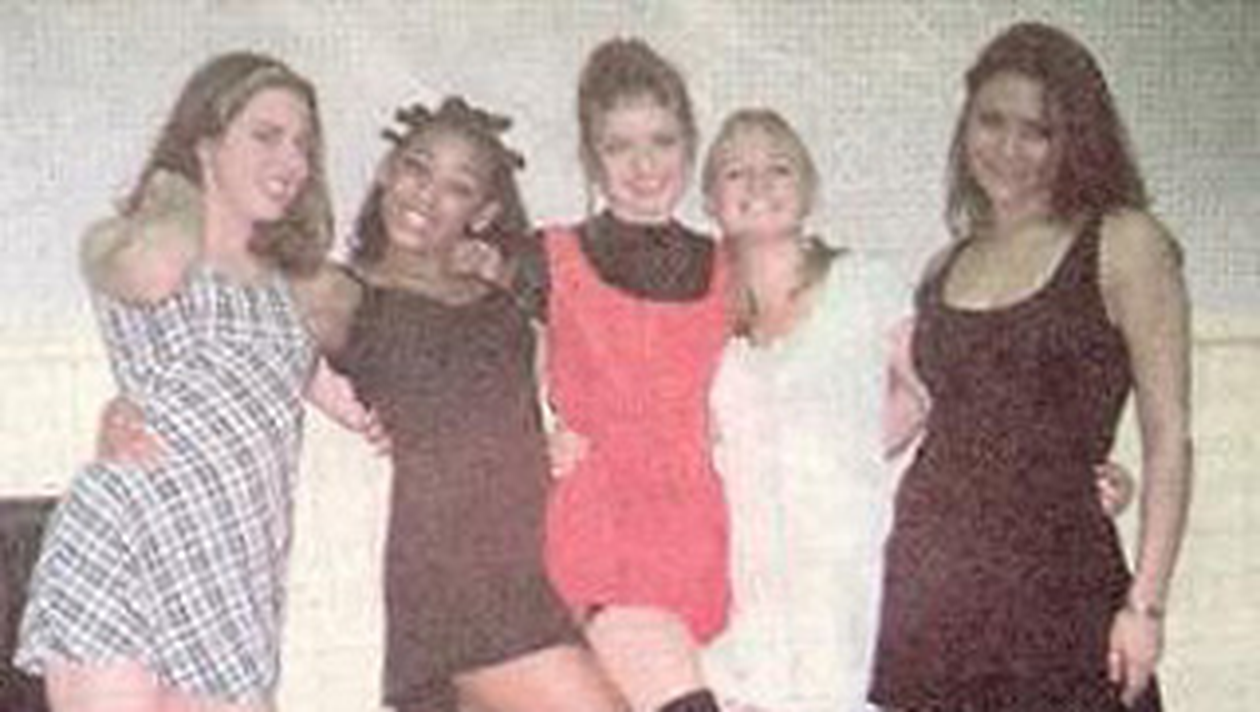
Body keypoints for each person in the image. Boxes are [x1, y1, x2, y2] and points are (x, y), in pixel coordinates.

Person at [868, 22, 1192, 711]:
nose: (1008, 148)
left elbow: (1169, 437)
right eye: (991, 121)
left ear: (1075, 137)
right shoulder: (945, 264)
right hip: (933, 585)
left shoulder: (1125, 242)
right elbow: (922, 419)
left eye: (1036, 130)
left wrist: (1146, 607)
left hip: (1061, 588)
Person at [14, 52, 343, 711]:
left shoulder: (294, 288)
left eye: (303, 144)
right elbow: (153, 276)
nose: (293, 162)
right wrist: (178, 192)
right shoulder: (124, 240)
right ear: (204, 139)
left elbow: (366, 399)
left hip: (233, 576)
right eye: (266, 135)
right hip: (129, 536)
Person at [297, 96, 625, 712]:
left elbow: (592, 369)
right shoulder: (341, 290)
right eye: (417, 167)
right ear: (388, 170)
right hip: (451, 587)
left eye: (458, 187)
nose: (426, 194)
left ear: (483, 212)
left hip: (540, 571)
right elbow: (238, 324)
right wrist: (326, 395)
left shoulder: (502, 299)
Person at [532, 37, 731, 712]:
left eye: (662, 141)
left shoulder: (731, 265)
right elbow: (467, 352)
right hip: (600, 539)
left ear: (689, 143)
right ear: (592, 156)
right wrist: (534, 439)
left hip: (700, 542)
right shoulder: (550, 257)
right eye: (619, 146)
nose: (644, 166)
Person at [699, 108, 906, 712]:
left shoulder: (865, 283)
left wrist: (854, 453)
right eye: (736, 173)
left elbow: (939, 389)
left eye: (779, 169)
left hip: (843, 574)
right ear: (711, 200)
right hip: (746, 588)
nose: (759, 184)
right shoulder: (702, 313)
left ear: (809, 188)